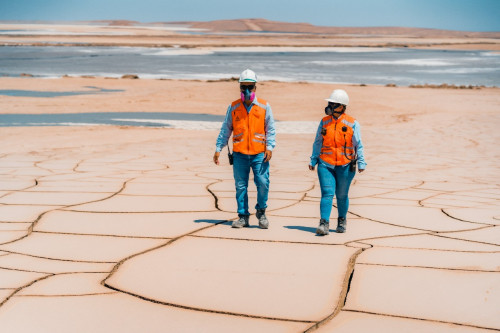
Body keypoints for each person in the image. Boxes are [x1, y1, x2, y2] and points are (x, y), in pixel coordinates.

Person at [213, 69, 276, 229]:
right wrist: (218, 148)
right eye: (243, 87)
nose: (247, 91)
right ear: (240, 87)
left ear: (256, 87)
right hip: (240, 154)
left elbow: (271, 129)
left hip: (259, 154)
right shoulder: (234, 107)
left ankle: (261, 212)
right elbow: (226, 128)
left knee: (262, 183)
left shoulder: (264, 106)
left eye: (250, 86)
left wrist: (269, 147)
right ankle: (243, 216)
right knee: (240, 186)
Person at [309, 89, 366, 235]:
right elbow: (317, 142)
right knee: (327, 193)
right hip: (325, 164)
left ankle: (342, 220)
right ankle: (324, 223)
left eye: (333, 104)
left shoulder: (352, 123)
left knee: (341, 195)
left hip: (345, 165)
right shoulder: (324, 122)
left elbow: (358, 144)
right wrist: (313, 159)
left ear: (341, 106)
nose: (329, 106)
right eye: (329, 103)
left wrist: (361, 162)